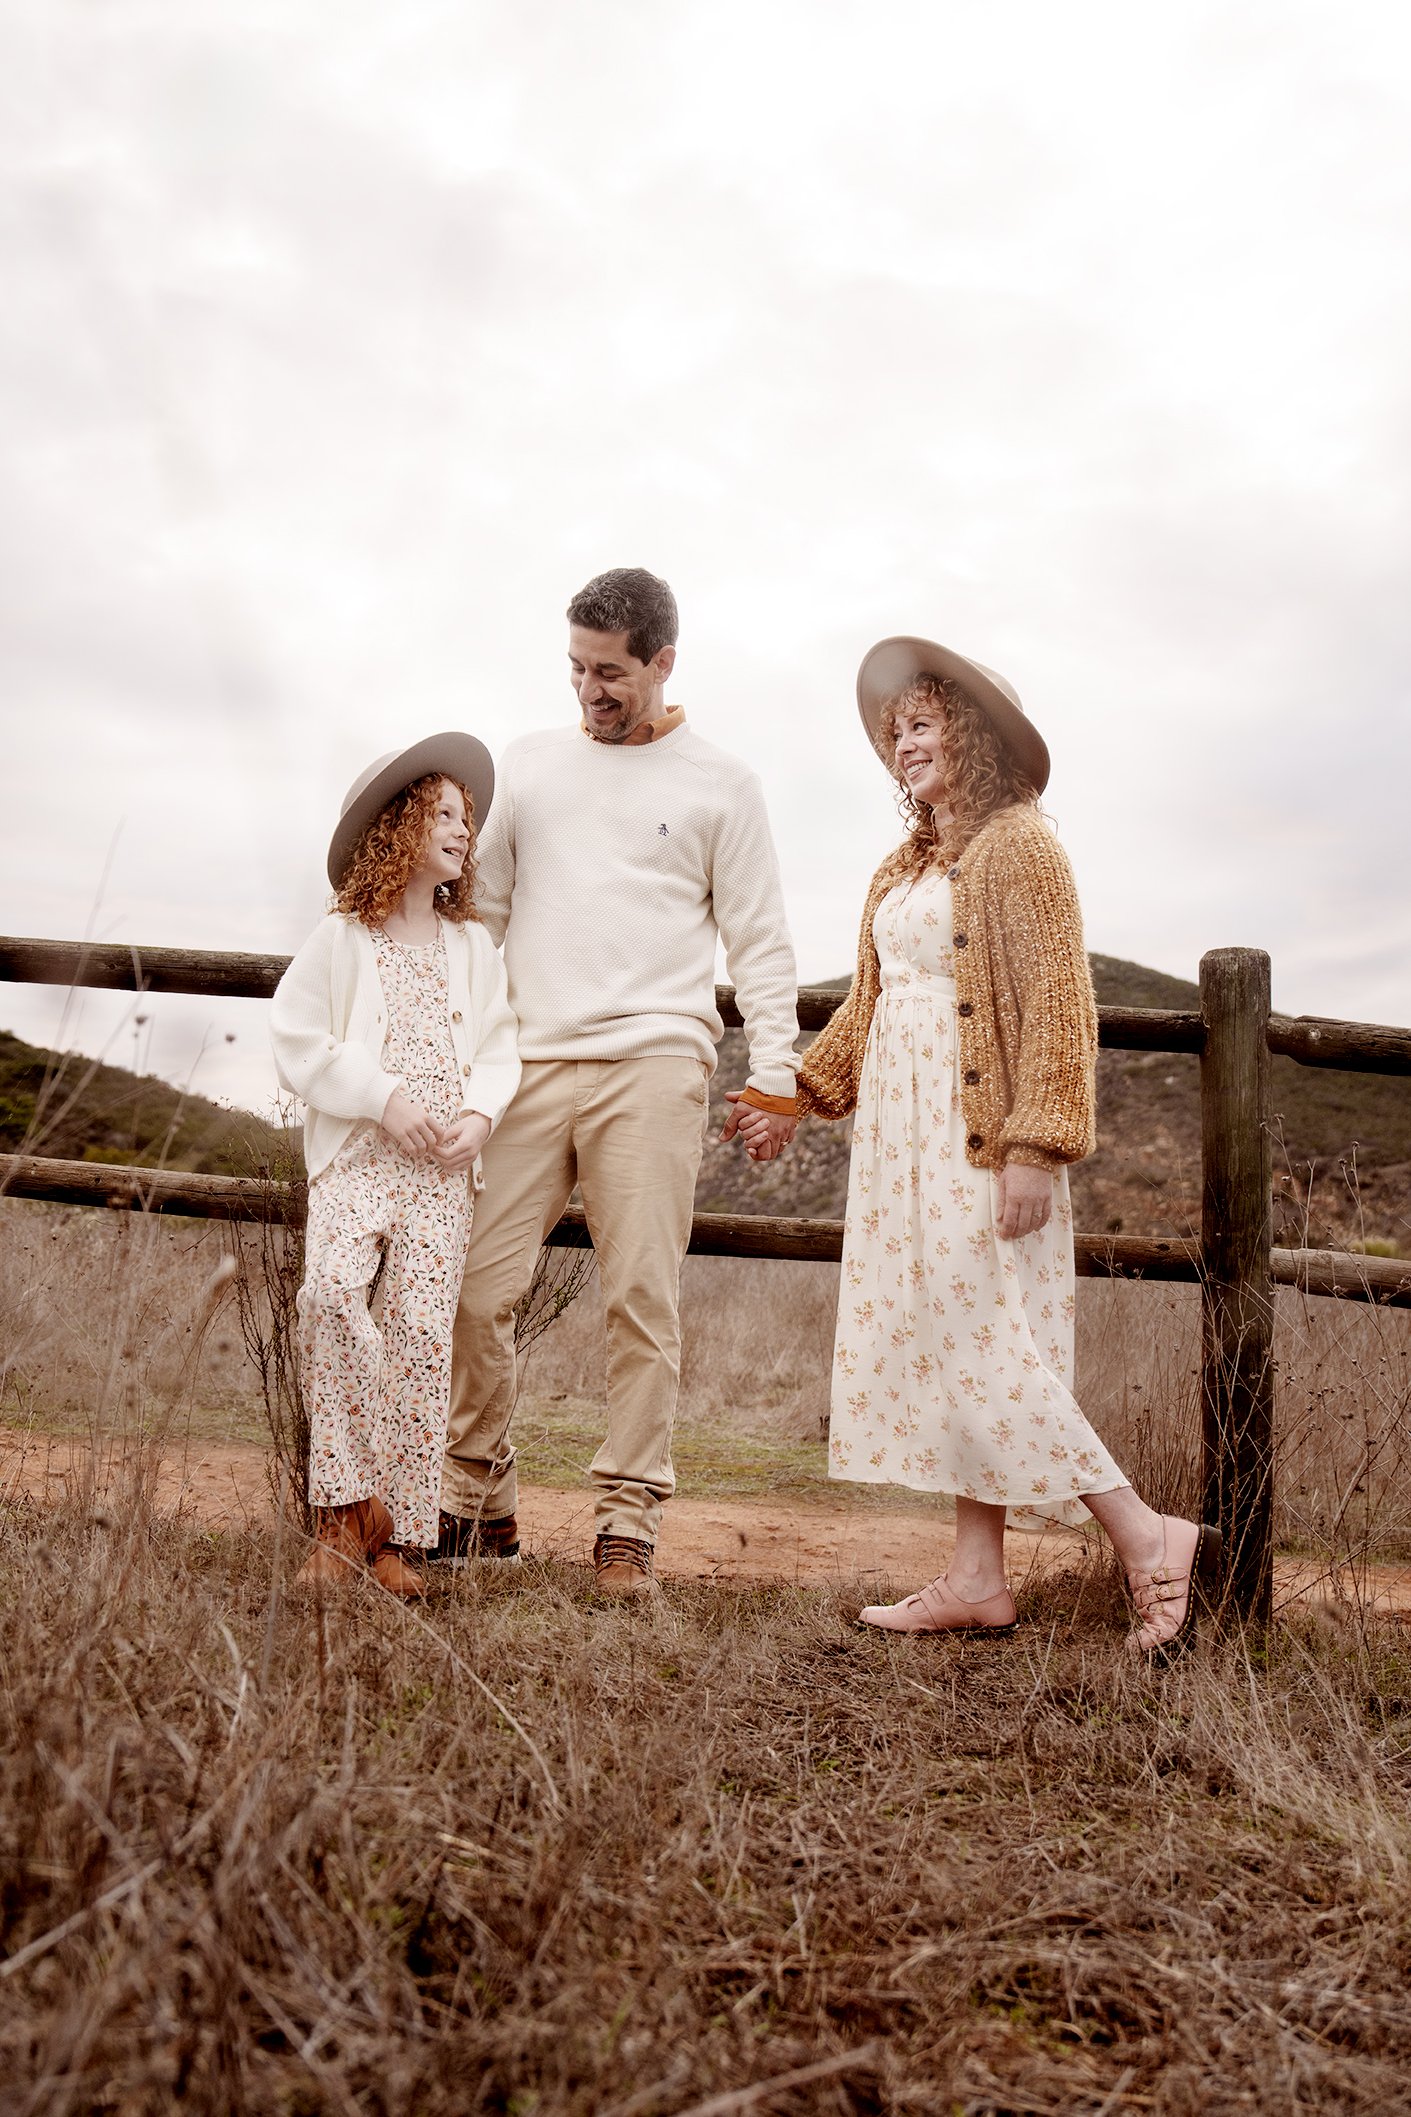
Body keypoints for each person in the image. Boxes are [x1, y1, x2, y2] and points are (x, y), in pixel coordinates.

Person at [736, 637, 1218, 1660]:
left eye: (923, 724)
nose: (903, 745)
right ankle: (975, 1575)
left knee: (989, 1341)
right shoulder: (902, 864)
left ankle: (1146, 1533)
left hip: (979, 1139)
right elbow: (873, 1007)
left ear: (975, 736)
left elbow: (1055, 1006)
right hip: (897, 1142)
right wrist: (796, 1095)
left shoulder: (1021, 844)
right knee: (945, 1339)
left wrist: (1035, 1145)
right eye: (894, 732)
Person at [437, 567, 800, 1599]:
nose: (588, 690)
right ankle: (477, 1501)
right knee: (476, 1286)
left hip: (653, 1060)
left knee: (640, 1292)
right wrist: (454, 1048)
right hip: (528, 1061)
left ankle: (627, 1519)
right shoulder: (530, 764)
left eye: (609, 672)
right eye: (576, 667)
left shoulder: (722, 784)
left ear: (661, 664)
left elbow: (762, 943)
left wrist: (774, 1073)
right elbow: (485, 916)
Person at [270, 734, 521, 1598]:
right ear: (401, 825)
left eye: (466, 818)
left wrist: (480, 1115)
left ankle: (400, 1540)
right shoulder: (342, 938)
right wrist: (383, 1097)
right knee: (332, 1295)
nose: (461, 830)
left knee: (421, 1331)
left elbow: (499, 1046)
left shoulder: (472, 948)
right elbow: (296, 1036)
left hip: (442, 1169)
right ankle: (343, 1515)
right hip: (361, 1156)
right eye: (444, 814)